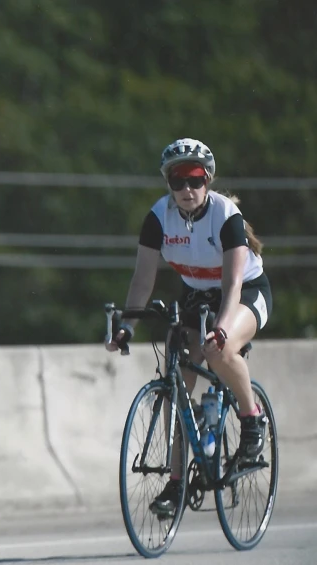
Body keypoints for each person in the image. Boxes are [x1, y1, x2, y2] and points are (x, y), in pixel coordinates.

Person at [106, 138, 271, 518]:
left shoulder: (225, 217)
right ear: (168, 184)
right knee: (176, 382)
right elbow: (142, 281)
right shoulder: (158, 218)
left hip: (244, 292)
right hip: (198, 294)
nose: (186, 190)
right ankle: (177, 482)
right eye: (177, 181)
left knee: (218, 350)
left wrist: (224, 330)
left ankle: (251, 419)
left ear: (207, 180)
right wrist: (127, 326)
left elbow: (232, 287)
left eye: (194, 180)